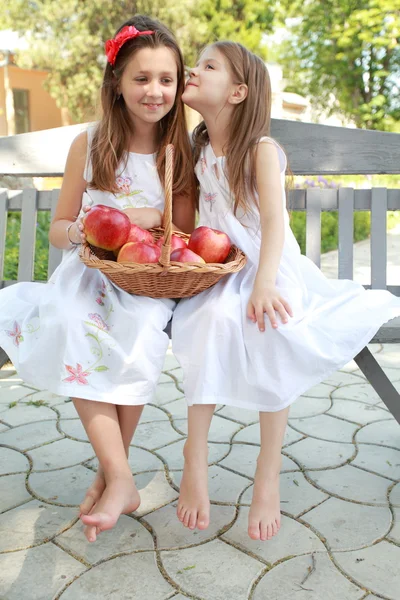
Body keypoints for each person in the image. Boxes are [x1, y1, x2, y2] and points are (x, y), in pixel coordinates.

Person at [171, 41, 400, 542]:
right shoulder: (198, 148)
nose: (193, 69)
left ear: (237, 91)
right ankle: (195, 456)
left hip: (270, 270)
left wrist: (265, 282)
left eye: (208, 66)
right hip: (220, 270)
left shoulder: (261, 150)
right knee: (206, 322)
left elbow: (274, 223)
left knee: (270, 326)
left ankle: (267, 473)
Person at [0, 15, 195, 542]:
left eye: (166, 80)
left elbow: (184, 228)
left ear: (179, 86)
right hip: (88, 276)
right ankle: (122, 476)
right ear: (116, 82)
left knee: (137, 330)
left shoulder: (178, 149)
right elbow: (60, 227)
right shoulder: (90, 144)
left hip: (145, 279)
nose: (154, 91)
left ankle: (114, 478)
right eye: (141, 78)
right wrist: (87, 233)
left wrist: (143, 224)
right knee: (69, 318)